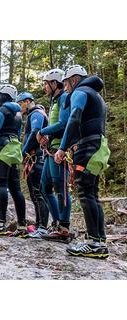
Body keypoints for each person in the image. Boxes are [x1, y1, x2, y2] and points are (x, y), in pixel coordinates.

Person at [54, 65, 111, 259]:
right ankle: (99, 241)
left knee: (85, 193)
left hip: (87, 147)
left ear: (74, 79)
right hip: (98, 146)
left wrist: (62, 147)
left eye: (66, 82)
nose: (65, 87)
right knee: (92, 194)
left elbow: (74, 118)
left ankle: (93, 242)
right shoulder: (95, 95)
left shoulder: (80, 92)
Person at [0, 84, 27, 238]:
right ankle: (22, 225)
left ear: (3, 96)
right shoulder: (19, 114)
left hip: (2, 149)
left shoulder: (2, 111)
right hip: (14, 150)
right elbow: (19, 132)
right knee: (16, 189)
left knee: (2, 185)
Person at [36, 69, 72, 242]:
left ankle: (64, 227)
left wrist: (43, 131)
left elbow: (64, 123)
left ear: (54, 83)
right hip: (52, 147)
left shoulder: (64, 97)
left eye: (46, 83)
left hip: (59, 149)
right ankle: (58, 223)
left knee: (60, 187)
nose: (44, 87)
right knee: (44, 187)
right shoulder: (54, 100)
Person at [18, 92, 49, 238]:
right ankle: (38, 225)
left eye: (20, 104)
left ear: (27, 101)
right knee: (34, 193)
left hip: (37, 158)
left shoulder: (37, 113)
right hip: (32, 159)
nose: (19, 107)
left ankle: (43, 227)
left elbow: (35, 132)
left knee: (39, 193)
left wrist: (22, 152)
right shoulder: (32, 115)